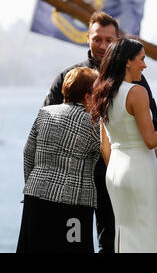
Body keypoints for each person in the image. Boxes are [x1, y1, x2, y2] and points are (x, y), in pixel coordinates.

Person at [42, 11, 157, 253]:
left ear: (117, 41)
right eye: (97, 39)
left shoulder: (136, 79)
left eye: (109, 40)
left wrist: (150, 152)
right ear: (87, 37)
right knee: (73, 243)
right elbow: (48, 123)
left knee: (114, 240)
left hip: (116, 173)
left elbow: (151, 120)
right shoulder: (68, 76)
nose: (103, 45)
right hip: (76, 178)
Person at [90, 38, 157, 253]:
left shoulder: (103, 90)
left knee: (123, 237)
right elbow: (150, 139)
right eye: (141, 59)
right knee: (144, 238)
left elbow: (107, 145)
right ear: (127, 61)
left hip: (114, 172)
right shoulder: (136, 92)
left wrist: (135, 150)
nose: (145, 65)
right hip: (138, 171)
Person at [17, 67, 100, 253]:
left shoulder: (45, 113)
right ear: (88, 97)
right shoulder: (94, 124)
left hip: (35, 197)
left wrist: (31, 187)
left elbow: (28, 154)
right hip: (74, 203)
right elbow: (113, 156)